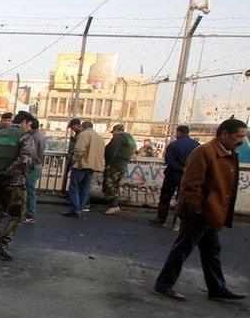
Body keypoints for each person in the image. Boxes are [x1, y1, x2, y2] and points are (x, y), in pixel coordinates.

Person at [151, 118, 247, 302]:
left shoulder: (227, 152)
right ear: (224, 134)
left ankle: (217, 288)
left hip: (210, 212)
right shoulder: (206, 151)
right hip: (200, 213)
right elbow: (190, 185)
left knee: (212, 251)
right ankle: (163, 284)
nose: (241, 140)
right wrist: (197, 211)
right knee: (183, 248)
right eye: (238, 136)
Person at [0, 111, 36, 260]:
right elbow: (25, 159)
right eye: (30, 124)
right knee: (17, 215)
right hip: (14, 183)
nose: (30, 128)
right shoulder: (25, 137)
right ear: (24, 122)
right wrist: (8, 172)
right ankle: (2, 243)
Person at [151, 125, 199, 226]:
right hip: (188, 177)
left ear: (179, 132)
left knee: (165, 197)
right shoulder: (197, 145)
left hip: (172, 175)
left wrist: (180, 168)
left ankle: (161, 219)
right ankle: (177, 223)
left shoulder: (173, 145)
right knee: (182, 199)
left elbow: (169, 160)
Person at [63, 120, 103, 218]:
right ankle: (80, 208)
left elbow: (79, 150)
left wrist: (74, 161)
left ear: (83, 127)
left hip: (81, 165)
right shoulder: (99, 137)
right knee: (85, 187)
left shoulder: (84, 134)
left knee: (74, 187)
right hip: (93, 166)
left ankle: (75, 209)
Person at [100, 124, 136, 215]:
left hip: (114, 165)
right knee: (115, 184)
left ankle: (113, 206)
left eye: (113, 132)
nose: (112, 134)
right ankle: (113, 205)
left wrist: (108, 162)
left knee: (108, 184)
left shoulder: (118, 138)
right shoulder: (130, 138)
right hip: (123, 165)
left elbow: (112, 150)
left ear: (116, 130)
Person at [23, 118, 46, 224]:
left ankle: (30, 215)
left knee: (30, 190)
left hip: (33, 166)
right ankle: (28, 213)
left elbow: (31, 153)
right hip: (37, 165)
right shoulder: (40, 135)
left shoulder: (33, 137)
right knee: (30, 189)